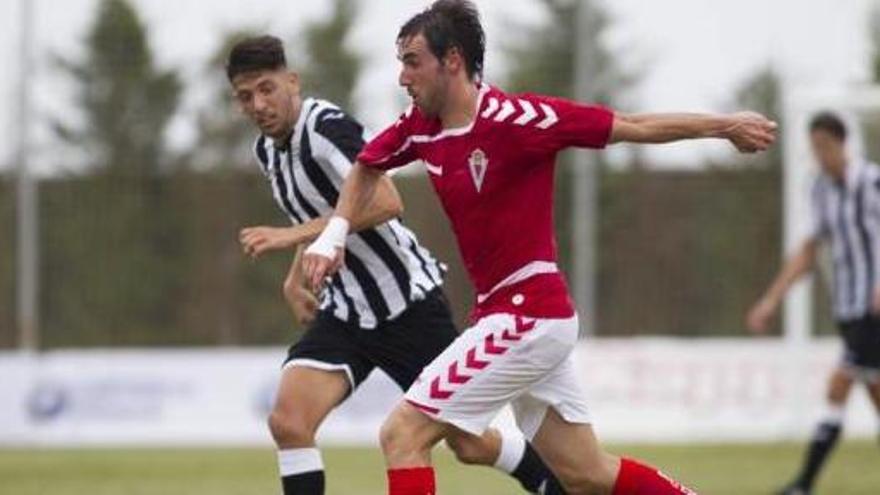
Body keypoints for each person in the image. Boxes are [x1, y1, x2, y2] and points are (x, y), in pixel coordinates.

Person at [302, 2, 777, 494]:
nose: (402, 76)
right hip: (508, 317)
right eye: (400, 61)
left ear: (453, 61)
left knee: (401, 433)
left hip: (528, 315)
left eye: (412, 61)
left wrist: (724, 127)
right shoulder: (421, 125)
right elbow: (367, 165)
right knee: (586, 474)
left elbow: (631, 124)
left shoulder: (520, 120)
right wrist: (334, 235)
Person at [227, 35, 565, 495]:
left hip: (406, 304)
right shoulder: (267, 152)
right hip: (346, 312)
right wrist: (295, 276)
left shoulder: (326, 129)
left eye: (267, 88)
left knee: (467, 443)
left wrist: (289, 237)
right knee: (289, 421)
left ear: (292, 81)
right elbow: (315, 216)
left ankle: (549, 480)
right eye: (246, 96)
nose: (258, 104)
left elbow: (387, 200)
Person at [746, 111, 880, 495]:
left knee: (838, 385)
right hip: (848, 307)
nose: (820, 155)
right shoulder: (819, 189)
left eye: (825, 146)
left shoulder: (871, 182)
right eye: (814, 148)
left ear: (843, 144)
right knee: (874, 391)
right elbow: (808, 250)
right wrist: (771, 299)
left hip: (875, 310)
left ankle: (803, 485)